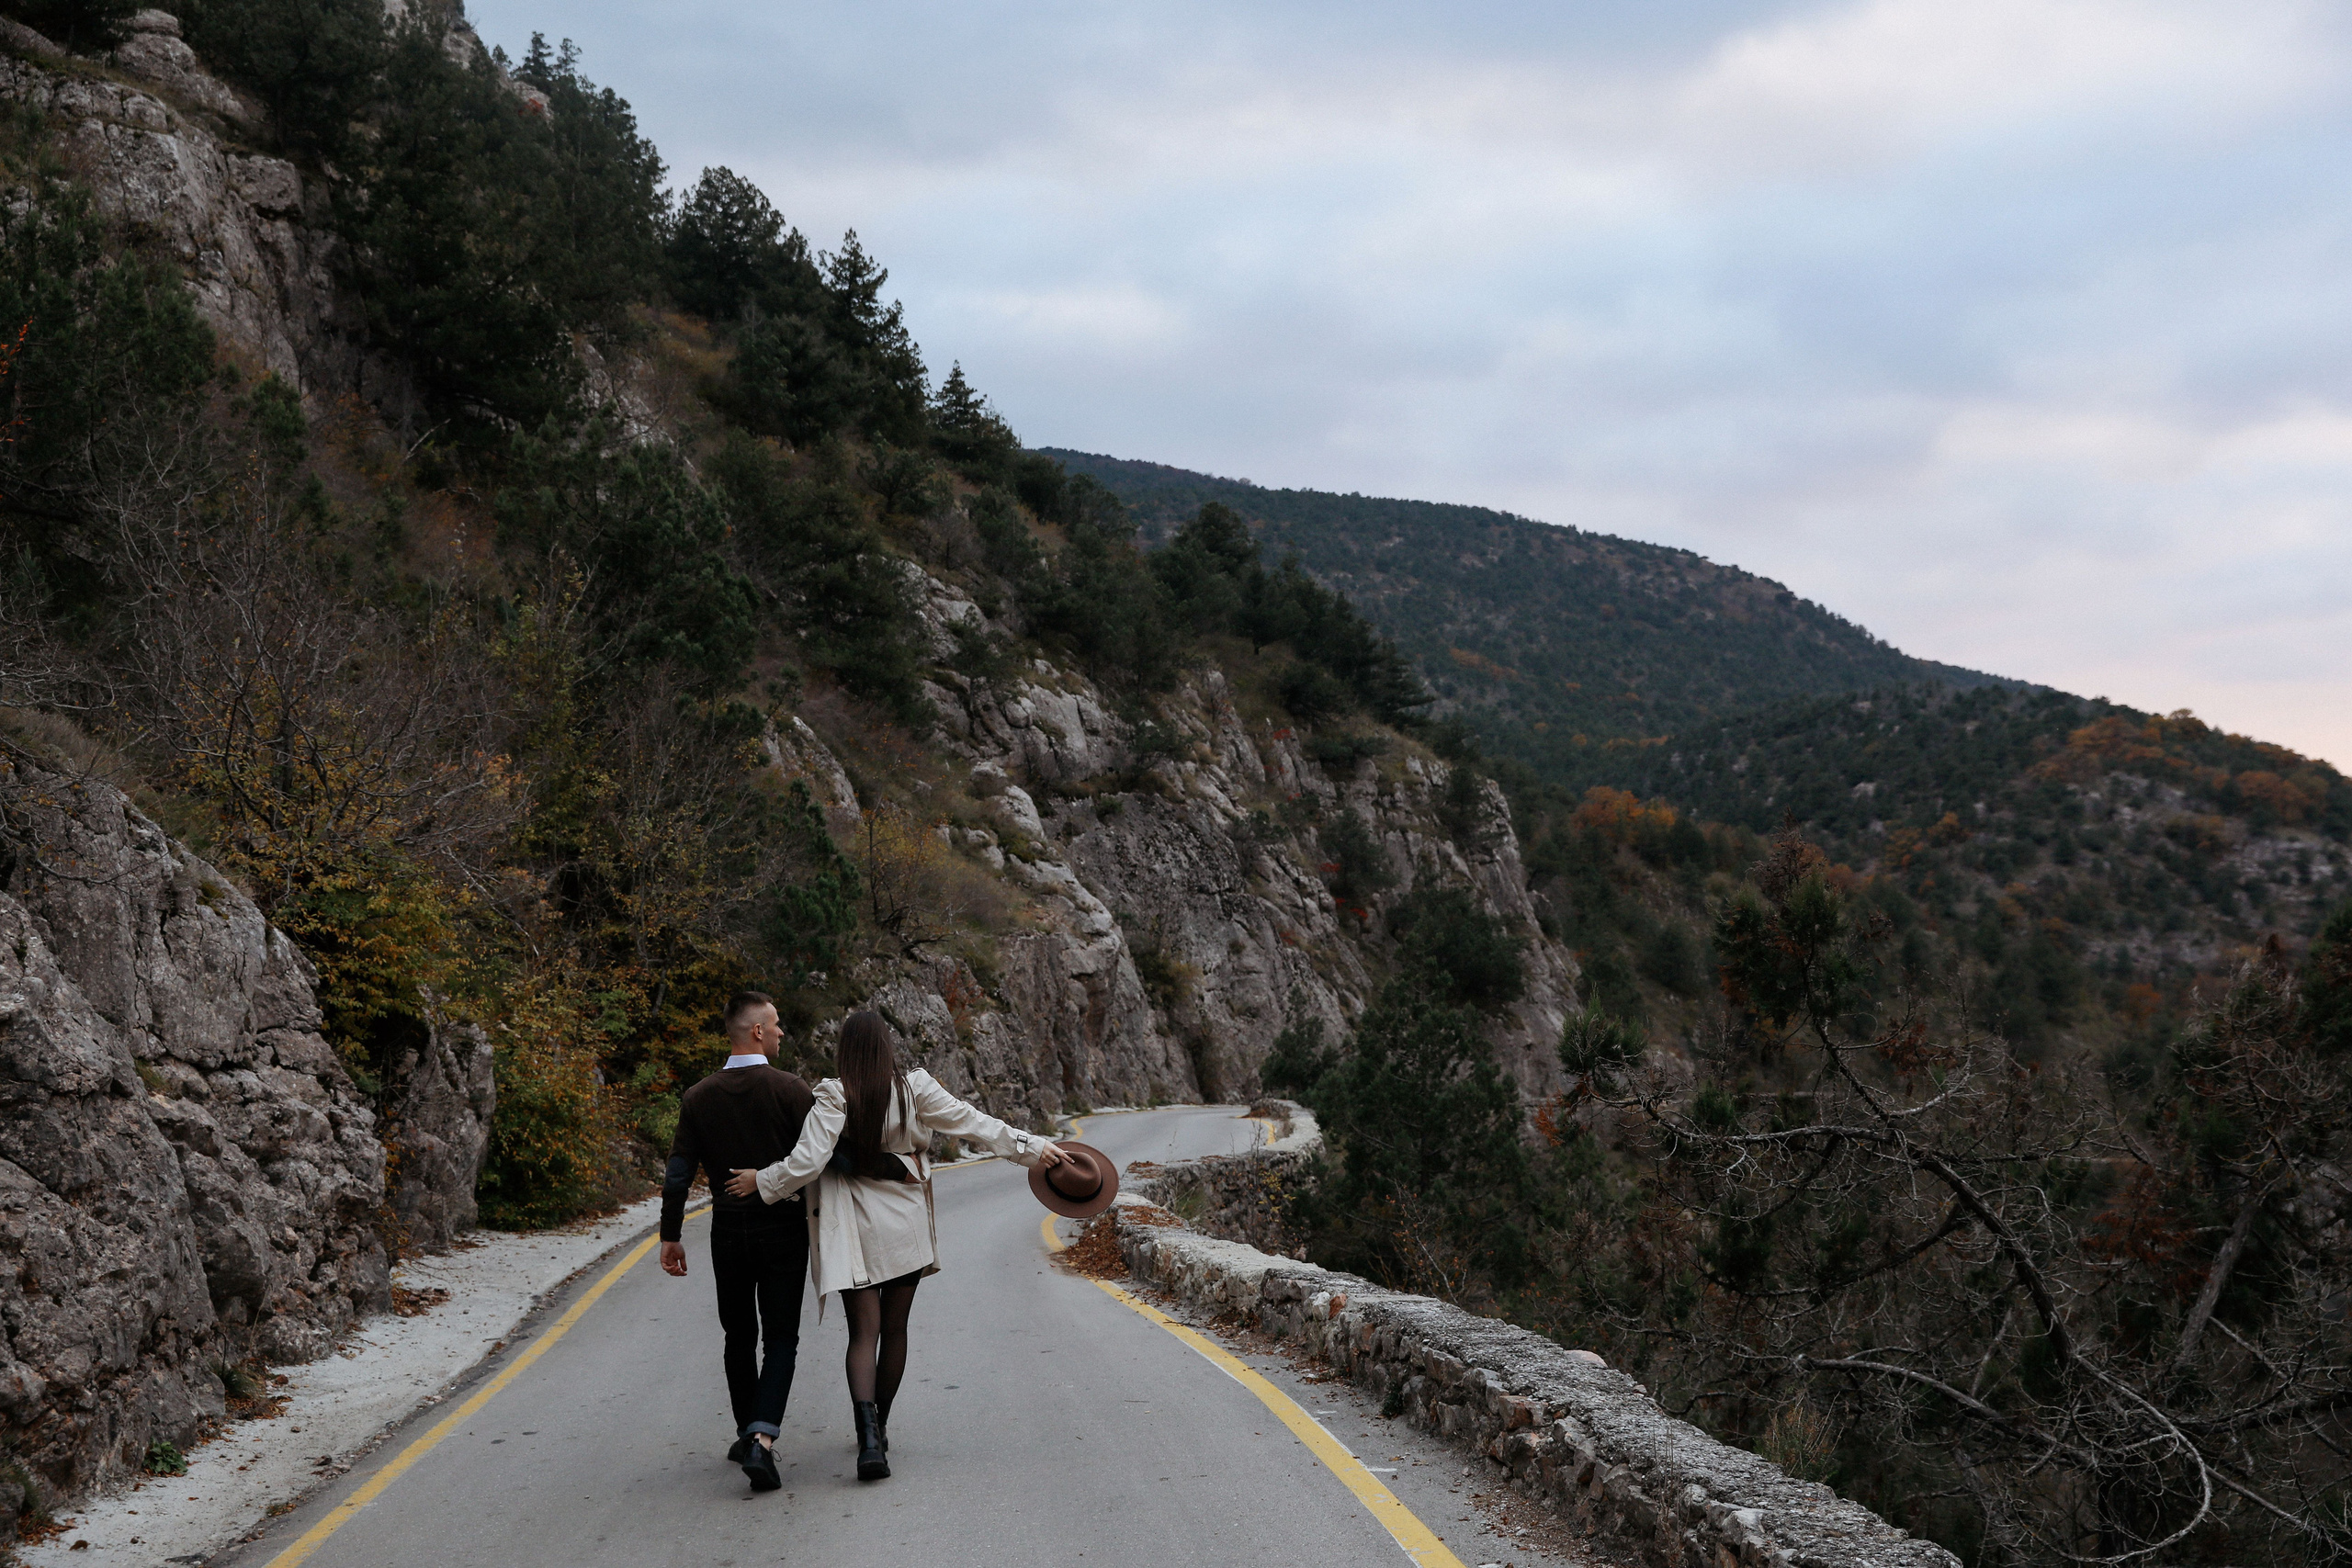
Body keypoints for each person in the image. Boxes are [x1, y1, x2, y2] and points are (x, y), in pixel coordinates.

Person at [724, 1010, 1069, 1483]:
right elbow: (974, 1123)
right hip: (904, 1226)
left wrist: (761, 1181)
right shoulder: (914, 1090)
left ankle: (868, 1440)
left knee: (862, 1335)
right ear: (886, 1047)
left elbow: (807, 1162)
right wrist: (1033, 1147)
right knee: (896, 1329)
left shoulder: (834, 1096)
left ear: (845, 1051)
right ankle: (879, 1431)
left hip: (854, 1230)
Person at [659, 990, 816, 1494]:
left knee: (738, 1336)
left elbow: (678, 1172)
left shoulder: (698, 1096)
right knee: (782, 1338)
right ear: (757, 1031)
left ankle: (747, 1431)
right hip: (783, 1229)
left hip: (726, 1231)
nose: (781, 1031)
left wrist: (670, 1235)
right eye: (775, 1023)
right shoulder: (790, 1090)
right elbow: (819, 1158)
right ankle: (761, 1439)